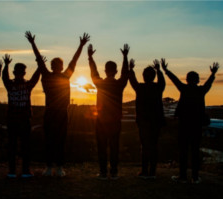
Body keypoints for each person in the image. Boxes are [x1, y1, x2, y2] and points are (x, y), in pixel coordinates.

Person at [26, 31, 90, 177]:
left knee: (49, 140)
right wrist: (80, 45)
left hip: (51, 112)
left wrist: (33, 44)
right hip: (61, 112)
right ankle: (59, 168)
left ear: (53, 66)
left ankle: (49, 167)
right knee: (60, 141)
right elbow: (74, 60)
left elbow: (39, 60)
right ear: (61, 67)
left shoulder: (47, 76)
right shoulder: (65, 76)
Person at [162, 61, 219, 184]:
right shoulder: (201, 90)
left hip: (184, 124)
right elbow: (209, 83)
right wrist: (213, 74)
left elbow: (175, 79)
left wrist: (166, 70)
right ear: (198, 80)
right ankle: (195, 176)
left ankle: (182, 176)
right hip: (197, 125)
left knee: (183, 151)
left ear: (187, 80)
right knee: (195, 151)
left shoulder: (184, 88)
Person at [87, 43, 129, 180]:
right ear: (115, 71)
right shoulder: (119, 84)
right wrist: (125, 57)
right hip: (115, 121)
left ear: (105, 71)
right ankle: (114, 172)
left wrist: (90, 58)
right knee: (114, 147)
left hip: (101, 120)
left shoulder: (100, 83)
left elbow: (93, 72)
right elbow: (125, 73)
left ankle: (104, 172)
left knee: (102, 147)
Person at [2, 54, 41, 178]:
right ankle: (25, 171)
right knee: (25, 147)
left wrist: (6, 65)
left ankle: (12, 171)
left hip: (12, 120)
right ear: (24, 73)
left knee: (12, 146)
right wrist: (39, 66)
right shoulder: (27, 85)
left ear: (14, 72)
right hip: (24, 120)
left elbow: (4, 77)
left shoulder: (10, 85)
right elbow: (36, 77)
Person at [128, 58, 166, 179]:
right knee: (154, 146)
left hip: (143, 122)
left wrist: (131, 69)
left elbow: (132, 80)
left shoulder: (140, 88)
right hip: (156, 121)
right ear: (154, 76)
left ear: (144, 76)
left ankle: (144, 171)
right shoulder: (158, 88)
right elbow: (163, 82)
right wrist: (159, 70)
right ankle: (152, 172)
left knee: (144, 146)